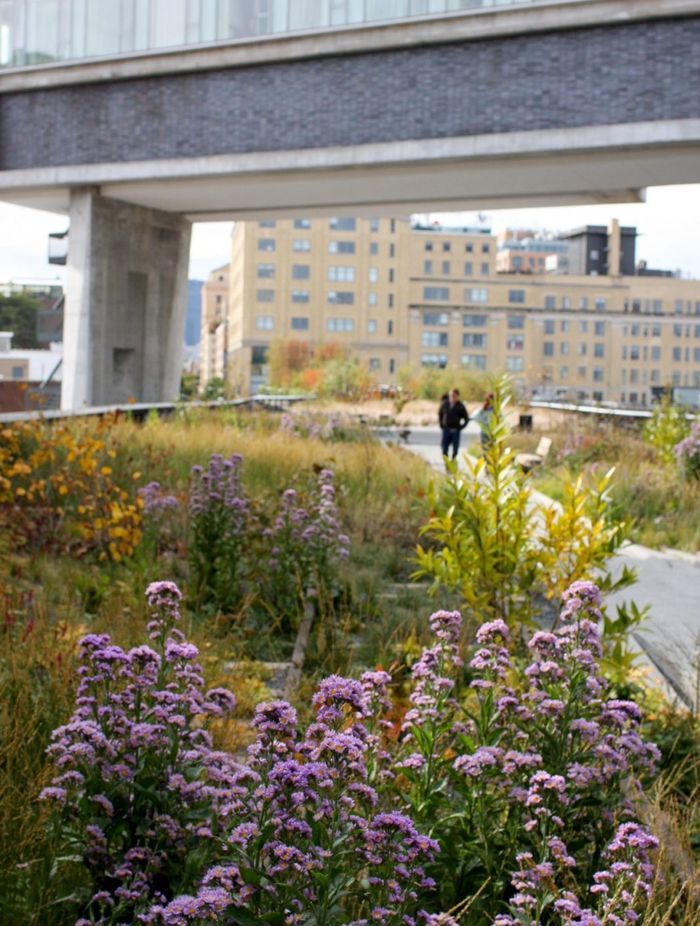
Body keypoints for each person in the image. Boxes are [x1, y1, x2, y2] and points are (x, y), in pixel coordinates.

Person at [440, 388, 469, 460]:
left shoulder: (460, 406)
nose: (452, 397)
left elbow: (466, 418)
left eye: (454, 396)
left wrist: (461, 427)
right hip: (446, 430)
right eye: (451, 395)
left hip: (455, 431)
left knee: (455, 450)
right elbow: (440, 414)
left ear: (458, 396)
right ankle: (447, 466)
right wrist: (441, 425)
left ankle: (453, 464)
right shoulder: (445, 404)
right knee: (444, 449)